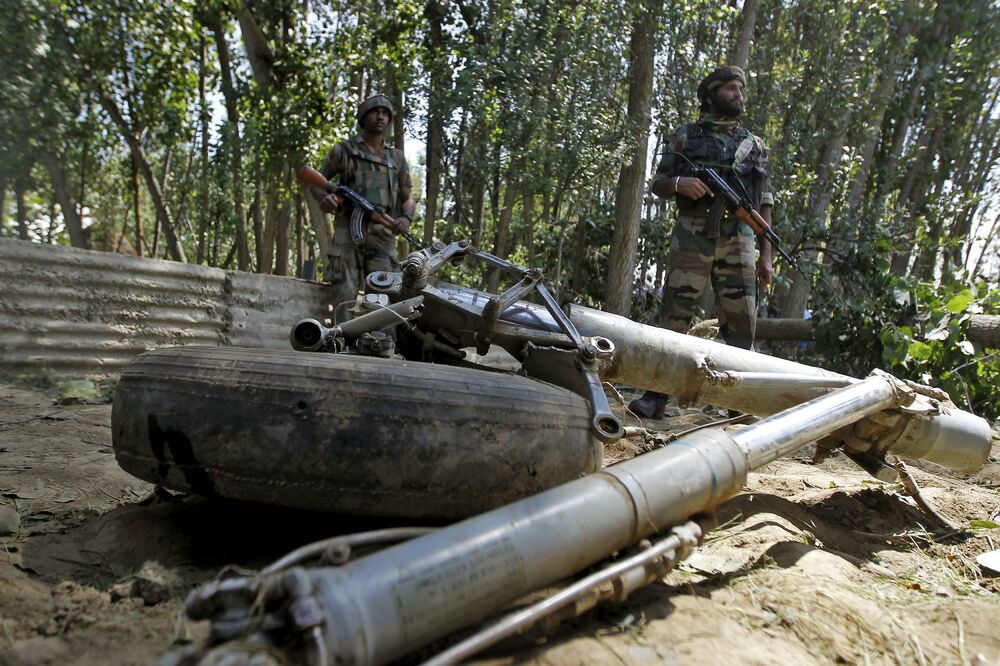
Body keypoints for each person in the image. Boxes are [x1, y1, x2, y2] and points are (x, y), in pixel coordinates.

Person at [629, 65, 775, 419]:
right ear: (711, 95)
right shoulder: (684, 137)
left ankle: (739, 403)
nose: (738, 94)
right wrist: (680, 183)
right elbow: (658, 183)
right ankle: (656, 395)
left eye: (741, 88)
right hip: (692, 234)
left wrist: (766, 255)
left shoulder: (754, 146)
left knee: (742, 324)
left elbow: (765, 203)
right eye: (730, 88)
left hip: (739, 239)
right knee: (675, 316)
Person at [312, 94, 416, 306]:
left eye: (385, 113)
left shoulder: (396, 158)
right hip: (347, 232)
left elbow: (408, 197)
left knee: (384, 295)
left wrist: (406, 218)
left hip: (383, 235)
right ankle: (340, 329)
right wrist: (326, 199)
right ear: (363, 118)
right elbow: (316, 182)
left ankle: (379, 330)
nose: (381, 117)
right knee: (344, 292)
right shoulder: (344, 150)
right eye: (375, 112)